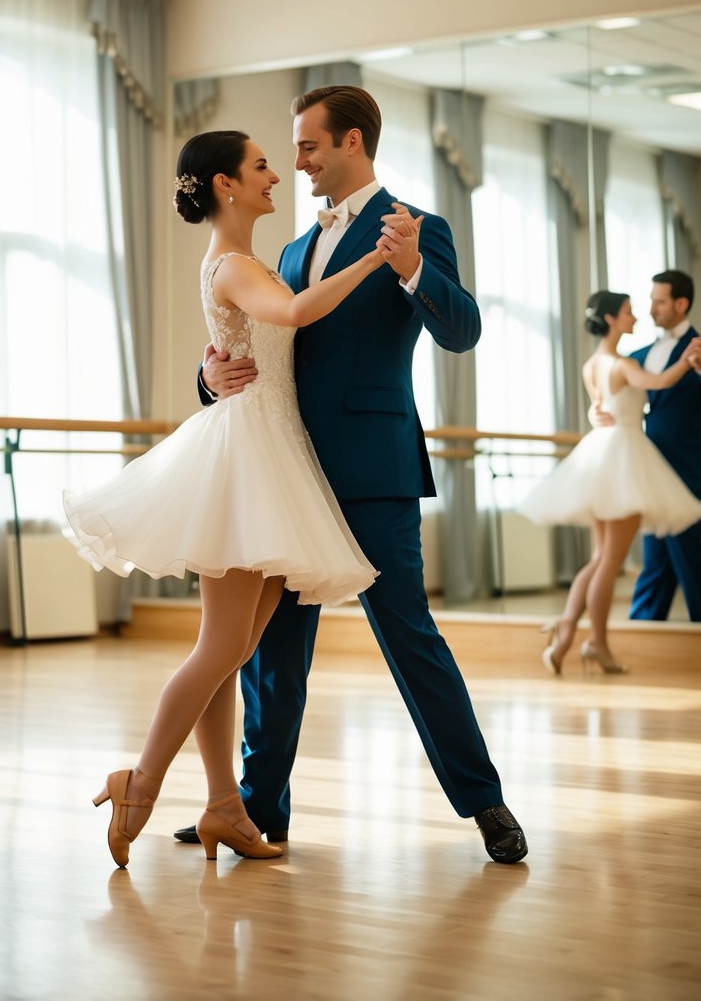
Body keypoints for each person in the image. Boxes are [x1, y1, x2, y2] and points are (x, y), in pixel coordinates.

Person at [175, 85, 528, 865]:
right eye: (291, 150)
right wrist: (208, 377)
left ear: (352, 145)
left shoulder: (416, 227)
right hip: (286, 472)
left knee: (411, 639)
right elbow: (261, 345)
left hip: (374, 470)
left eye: (307, 147)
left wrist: (411, 272)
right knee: (270, 654)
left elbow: (463, 331)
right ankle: (255, 810)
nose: (295, 162)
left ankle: (485, 803)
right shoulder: (294, 251)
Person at [64, 129, 386, 868]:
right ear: (224, 185)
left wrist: (213, 369)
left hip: (271, 452)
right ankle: (138, 782)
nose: (275, 175)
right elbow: (296, 314)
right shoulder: (237, 264)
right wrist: (375, 258)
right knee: (221, 646)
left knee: (232, 649)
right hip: (245, 458)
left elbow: (260, 339)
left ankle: (222, 807)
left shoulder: (245, 262)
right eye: (261, 165)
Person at [520, 290, 701, 675]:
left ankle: (570, 630)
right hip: (622, 454)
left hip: (601, 452)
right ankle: (594, 642)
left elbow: (601, 403)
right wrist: (689, 362)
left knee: (600, 558)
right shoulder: (621, 364)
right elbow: (658, 382)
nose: (635, 317)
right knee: (610, 561)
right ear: (611, 320)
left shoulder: (592, 363)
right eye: (628, 312)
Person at [621, 271, 701, 623]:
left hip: (689, 468)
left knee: (687, 550)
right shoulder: (638, 354)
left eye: (659, 301)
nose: (652, 309)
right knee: (657, 556)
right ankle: (643, 630)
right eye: (651, 300)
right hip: (651, 469)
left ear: (681, 303)